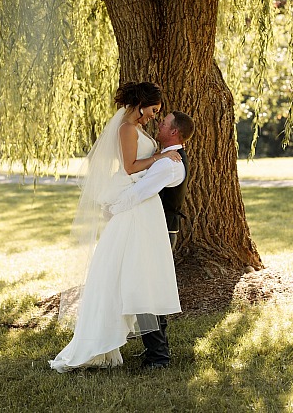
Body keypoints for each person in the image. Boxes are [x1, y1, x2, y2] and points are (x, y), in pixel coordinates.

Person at [49, 82, 182, 372]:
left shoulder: (135, 127)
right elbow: (130, 167)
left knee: (140, 273)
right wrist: (160, 156)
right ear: (141, 103)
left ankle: (155, 349)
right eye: (153, 110)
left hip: (143, 208)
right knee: (134, 272)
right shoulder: (126, 128)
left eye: (158, 113)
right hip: (134, 210)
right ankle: (148, 349)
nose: (154, 117)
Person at [110, 110, 195, 369]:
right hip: (157, 229)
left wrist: (111, 207)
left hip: (157, 231)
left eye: (164, 121)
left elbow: (140, 192)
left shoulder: (169, 163)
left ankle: (158, 356)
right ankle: (157, 351)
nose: (159, 122)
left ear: (174, 132)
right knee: (150, 288)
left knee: (144, 290)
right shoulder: (167, 159)